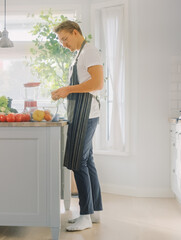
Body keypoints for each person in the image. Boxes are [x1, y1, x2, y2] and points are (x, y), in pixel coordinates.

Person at [51, 20, 104, 232]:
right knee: (87, 162)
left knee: (78, 162)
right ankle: (94, 211)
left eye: (65, 38)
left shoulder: (88, 51)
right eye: (60, 40)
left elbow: (97, 84)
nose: (63, 44)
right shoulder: (79, 54)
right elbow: (83, 83)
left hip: (86, 115)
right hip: (82, 114)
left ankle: (85, 215)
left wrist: (67, 90)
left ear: (75, 32)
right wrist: (64, 91)